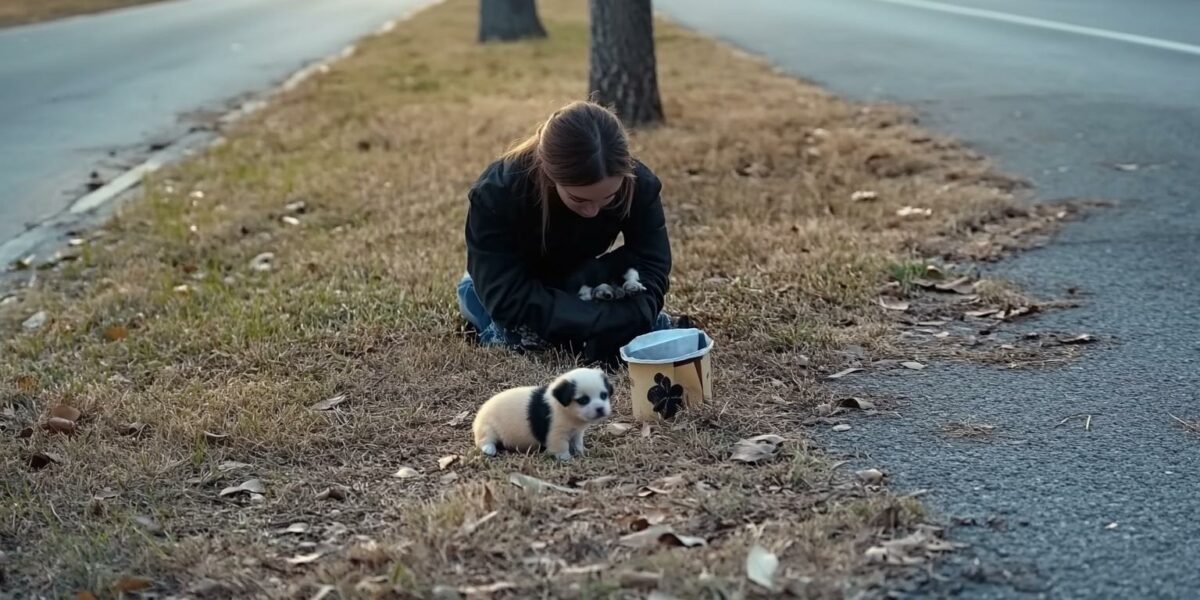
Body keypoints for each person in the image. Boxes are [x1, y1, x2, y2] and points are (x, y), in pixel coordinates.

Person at [458, 100, 685, 363]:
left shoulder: (640, 185)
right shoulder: (497, 193)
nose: (592, 211)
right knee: (497, 317)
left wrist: (636, 315)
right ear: (549, 174)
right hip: (512, 285)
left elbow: (651, 261)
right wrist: (601, 322)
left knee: (634, 312)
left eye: (608, 198)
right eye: (579, 199)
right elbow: (504, 295)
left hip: (580, 279)